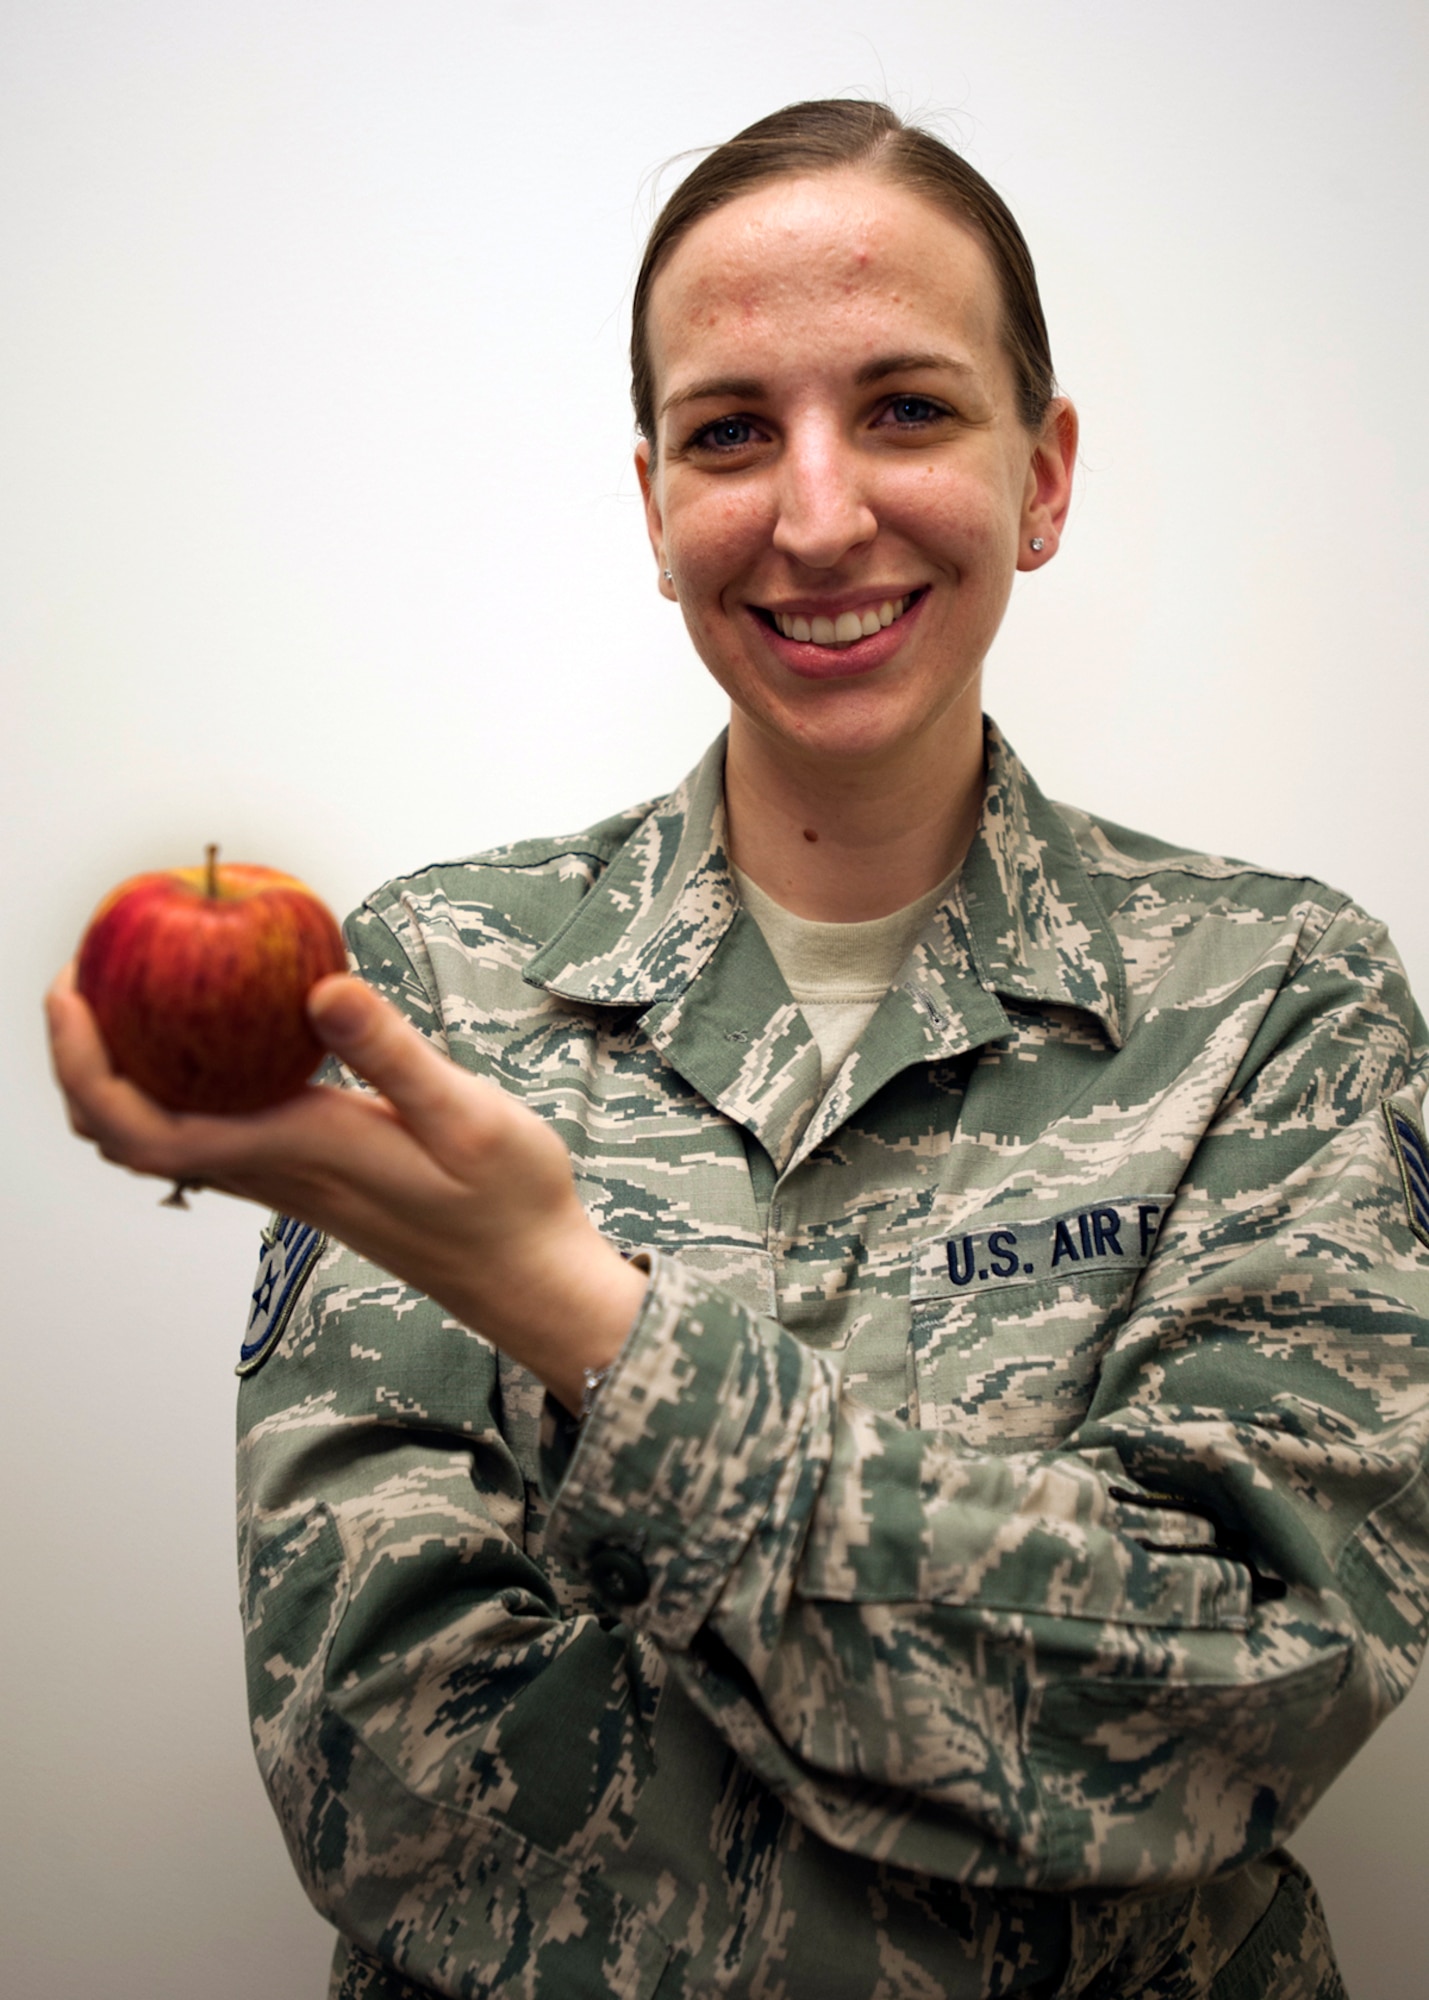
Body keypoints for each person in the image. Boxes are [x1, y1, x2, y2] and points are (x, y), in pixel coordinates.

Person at [48, 99, 1429, 2000]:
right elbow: (380, 1774)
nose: (812, 513)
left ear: (1045, 472)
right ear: (652, 509)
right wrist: (1026, 1822)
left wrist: (586, 1330)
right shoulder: (438, 991)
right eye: (726, 433)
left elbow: (1248, 1689)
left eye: (906, 408)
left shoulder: (1285, 1003)